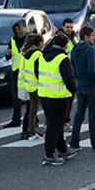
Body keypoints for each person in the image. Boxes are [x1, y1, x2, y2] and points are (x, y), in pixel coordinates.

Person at [38, 34, 78, 166]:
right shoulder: (62, 58)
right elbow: (69, 79)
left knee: (56, 124)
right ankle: (48, 155)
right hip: (58, 96)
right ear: (65, 45)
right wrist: (72, 91)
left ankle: (63, 149)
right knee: (54, 127)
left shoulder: (43, 56)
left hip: (44, 95)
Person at [69, 27, 95, 151]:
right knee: (93, 115)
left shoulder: (74, 49)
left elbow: (74, 67)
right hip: (91, 85)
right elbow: (91, 70)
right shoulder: (90, 50)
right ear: (86, 36)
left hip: (80, 84)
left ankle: (74, 142)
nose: (94, 38)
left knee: (79, 115)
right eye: (92, 35)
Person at [19, 34, 44, 141]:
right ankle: (52, 131)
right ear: (38, 43)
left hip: (29, 85)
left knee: (32, 110)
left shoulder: (25, 54)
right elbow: (39, 70)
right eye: (42, 42)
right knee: (47, 109)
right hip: (38, 86)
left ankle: (31, 132)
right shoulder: (37, 54)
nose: (43, 44)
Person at [3, 20, 26, 128]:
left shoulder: (29, 39)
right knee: (16, 97)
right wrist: (8, 54)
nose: (18, 31)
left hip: (27, 72)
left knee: (30, 99)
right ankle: (16, 119)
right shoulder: (13, 40)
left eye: (19, 29)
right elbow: (9, 54)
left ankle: (32, 121)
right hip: (16, 71)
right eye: (16, 29)